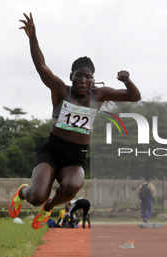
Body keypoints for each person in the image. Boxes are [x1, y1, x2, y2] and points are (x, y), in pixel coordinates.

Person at [9, 12, 141, 229]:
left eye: (87, 76)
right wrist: (32, 37)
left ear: (92, 80)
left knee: (72, 188)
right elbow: (41, 66)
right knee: (36, 197)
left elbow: (134, 97)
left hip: (75, 158)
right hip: (51, 152)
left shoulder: (98, 96)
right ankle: (22, 192)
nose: (83, 80)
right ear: (71, 76)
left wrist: (127, 81)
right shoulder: (61, 91)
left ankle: (49, 208)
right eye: (78, 75)